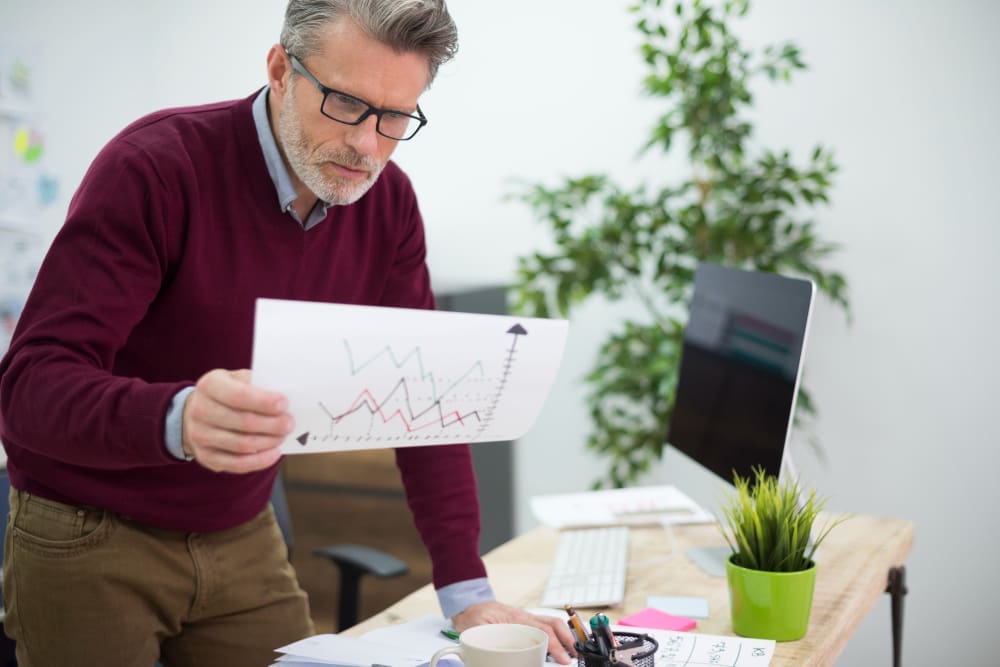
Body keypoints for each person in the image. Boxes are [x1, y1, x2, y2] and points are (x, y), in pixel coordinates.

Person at [0, 1, 576, 665]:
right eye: (345, 103)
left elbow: (424, 401)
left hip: (237, 528)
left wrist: (465, 589)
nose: (368, 144)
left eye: (395, 117)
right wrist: (176, 416)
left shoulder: (387, 208)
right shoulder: (155, 168)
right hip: (88, 524)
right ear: (280, 68)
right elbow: (28, 388)